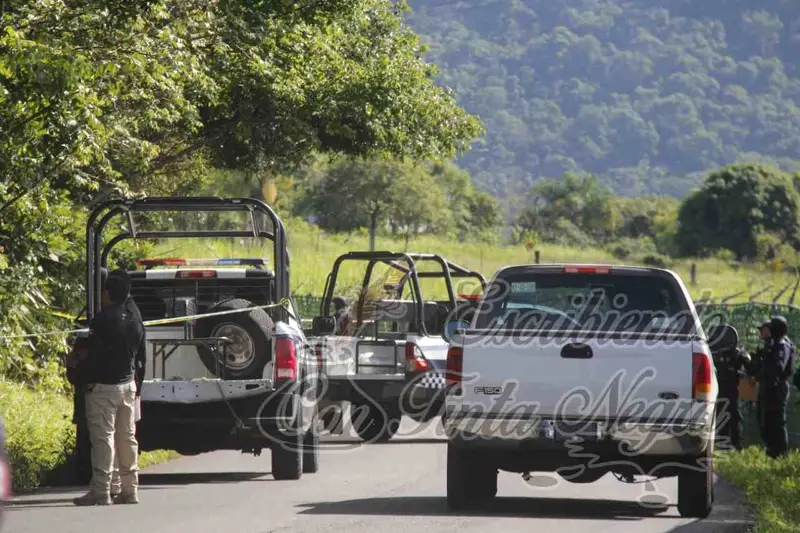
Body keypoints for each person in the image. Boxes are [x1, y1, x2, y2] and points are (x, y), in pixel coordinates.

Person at [68, 270, 146, 505]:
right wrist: (137, 385)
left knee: (103, 439)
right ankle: (130, 489)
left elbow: (91, 355)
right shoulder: (135, 319)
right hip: (128, 385)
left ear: (107, 293)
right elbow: (141, 356)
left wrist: (76, 368)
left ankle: (101, 491)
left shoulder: (101, 321)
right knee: (128, 438)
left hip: (103, 388)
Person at [761, 315, 797, 459]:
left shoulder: (782, 345)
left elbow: (778, 367)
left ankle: (780, 453)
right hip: (772, 387)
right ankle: (772, 451)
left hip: (777, 388)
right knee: (770, 421)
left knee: (777, 422)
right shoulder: (776, 343)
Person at [711, 329, 751, 451]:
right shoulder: (713, 351)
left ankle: (737, 445)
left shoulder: (737, 352)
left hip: (733, 388)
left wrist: (738, 354)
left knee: (734, 417)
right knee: (719, 415)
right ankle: (722, 443)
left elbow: (748, 360)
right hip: (718, 388)